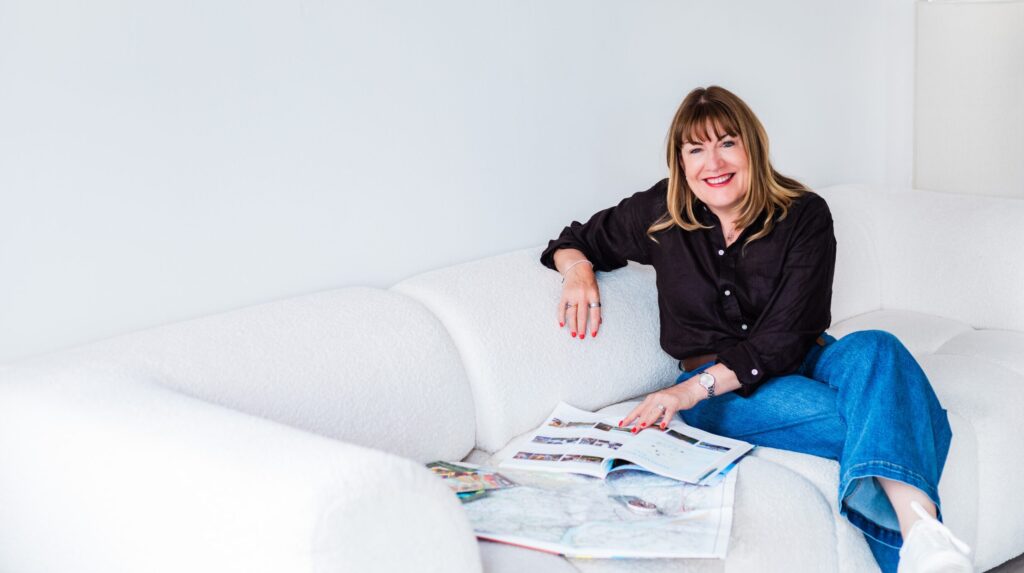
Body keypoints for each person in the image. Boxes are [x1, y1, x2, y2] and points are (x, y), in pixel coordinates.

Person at [539, 86, 973, 573]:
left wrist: (685, 394)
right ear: (680, 161)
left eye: (726, 142)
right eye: (696, 149)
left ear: (752, 147)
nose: (713, 162)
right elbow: (574, 239)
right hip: (724, 396)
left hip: (803, 355)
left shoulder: (803, 214)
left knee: (878, 347)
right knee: (898, 413)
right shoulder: (660, 212)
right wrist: (577, 271)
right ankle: (928, 544)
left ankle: (923, 539)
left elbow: (788, 336)